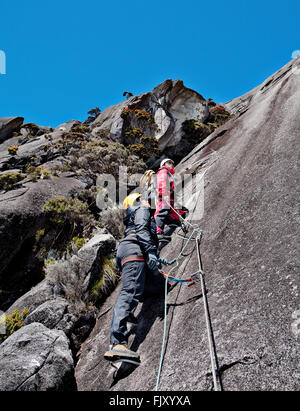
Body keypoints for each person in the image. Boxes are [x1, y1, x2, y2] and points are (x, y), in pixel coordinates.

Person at [104, 191, 166, 364]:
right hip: (134, 251)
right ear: (137, 202)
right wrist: (151, 252)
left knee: (160, 285)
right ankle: (117, 343)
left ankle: (129, 314)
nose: (148, 202)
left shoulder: (135, 215)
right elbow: (141, 228)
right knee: (130, 291)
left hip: (131, 252)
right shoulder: (141, 210)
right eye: (145, 199)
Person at [154, 158, 188, 247]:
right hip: (165, 197)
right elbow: (162, 184)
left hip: (169, 199)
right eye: (169, 162)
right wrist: (167, 192)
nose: (172, 164)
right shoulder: (163, 171)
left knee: (173, 217)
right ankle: (159, 233)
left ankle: (175, 224)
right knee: (162, 213)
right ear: (164, 164)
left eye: (172, 163)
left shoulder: (168, 173)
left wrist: (181, 210)